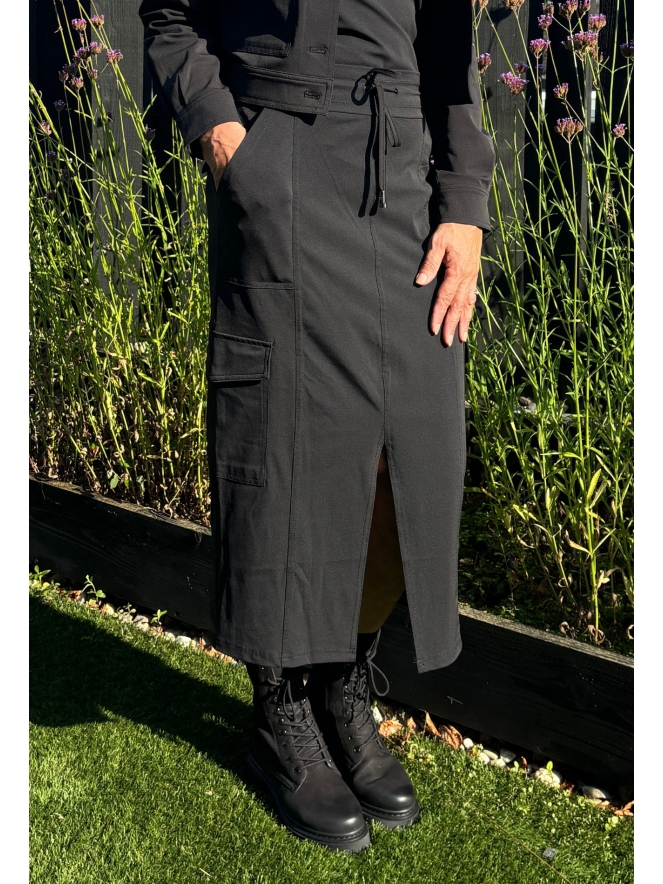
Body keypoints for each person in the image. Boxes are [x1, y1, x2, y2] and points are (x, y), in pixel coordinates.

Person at [139, 0, 495, 853]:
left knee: (403, 462)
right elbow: (169, 14)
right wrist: (227, 139)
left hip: (405, 176)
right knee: (282, 445)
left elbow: (448, 49)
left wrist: (465, 202)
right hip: (281, 160)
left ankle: (341, 684)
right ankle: (280, 709)